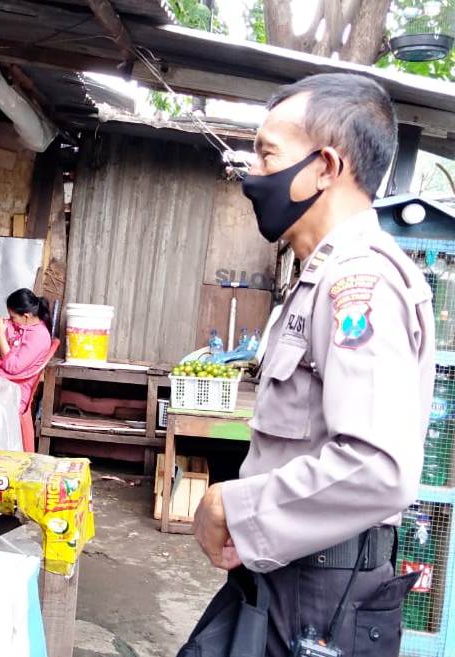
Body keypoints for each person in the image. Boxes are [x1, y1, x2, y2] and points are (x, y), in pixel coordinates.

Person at [187, 73, 435, 657]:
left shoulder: (359, 282)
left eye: (268, 154)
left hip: (322, 599)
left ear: (325, 167)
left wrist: (234, 506)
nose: (253, 175)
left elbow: (379, 465)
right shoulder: (316, 279)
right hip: (289, 580)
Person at [0, 288, 53, 415]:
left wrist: (0, 335)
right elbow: (13, 331)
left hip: (13, 392)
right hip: (2, 383)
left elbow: (13, 367)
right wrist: (3, 324)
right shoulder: (28, 326)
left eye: (12, 317)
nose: (11, 320)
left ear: (26, 316)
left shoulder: (39, 337)